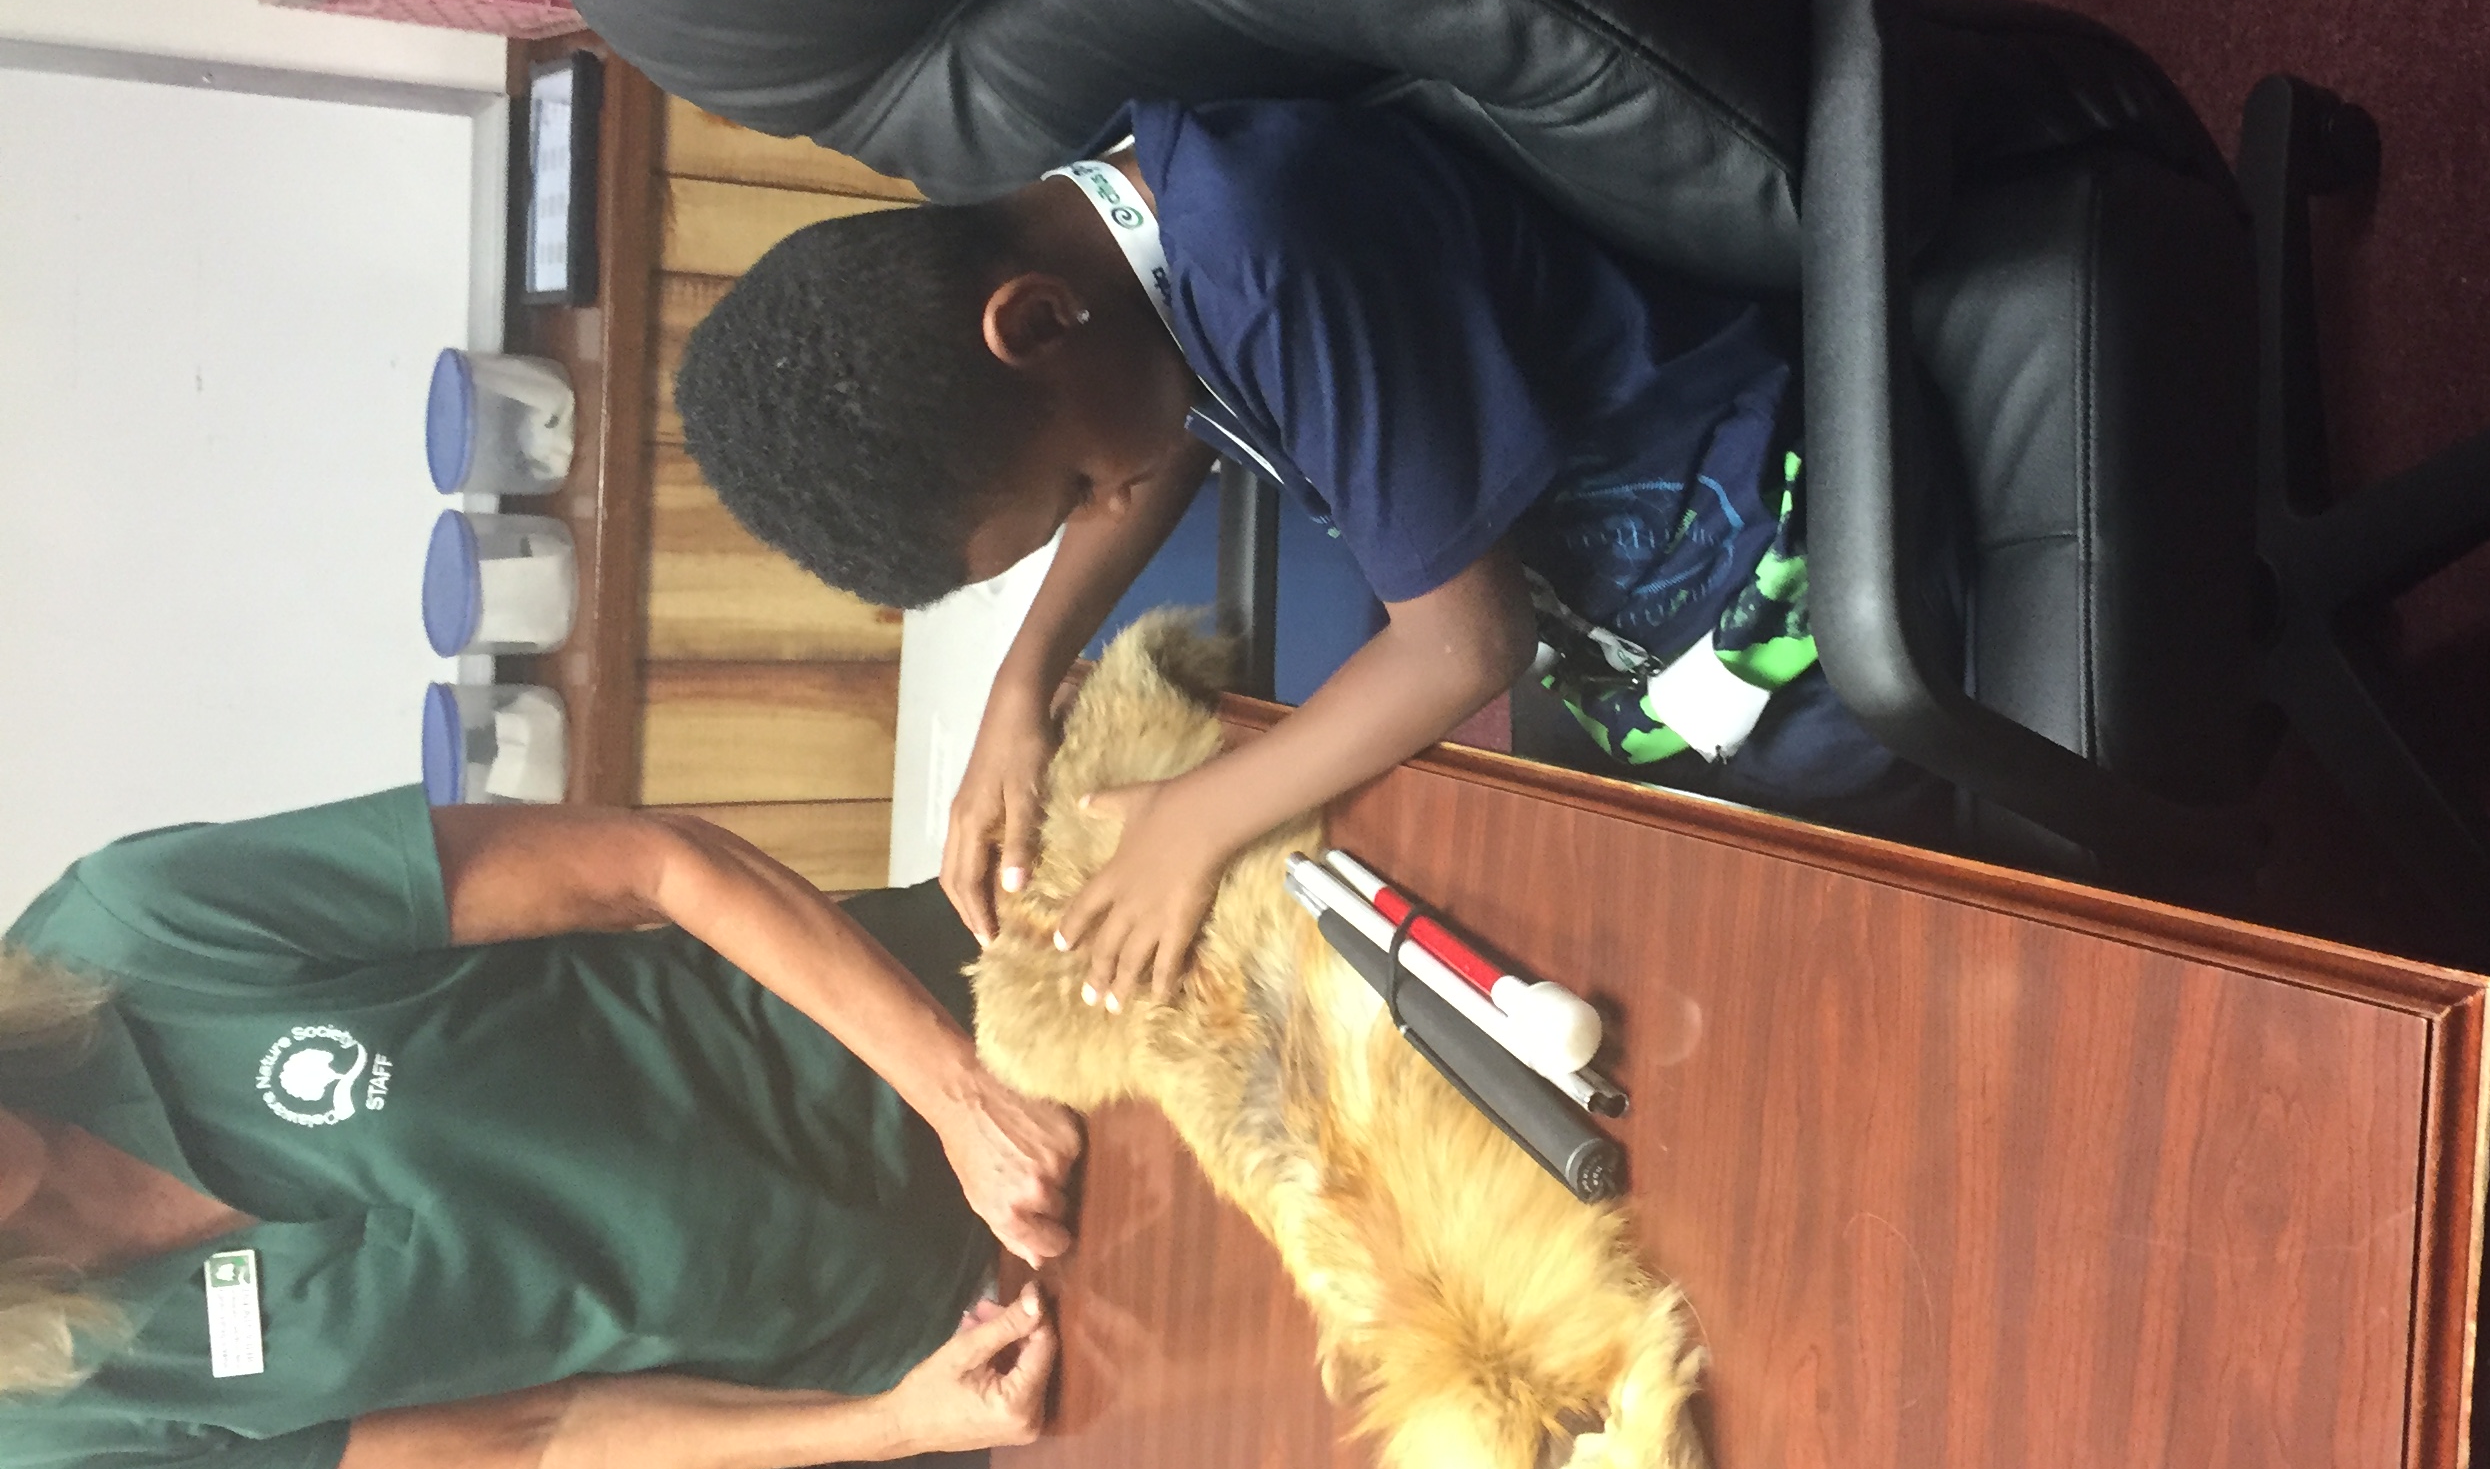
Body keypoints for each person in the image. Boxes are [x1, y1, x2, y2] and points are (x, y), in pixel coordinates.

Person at [674, 99, 1948, 1019]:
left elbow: (1466, 646)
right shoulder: (1113, 245)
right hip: (1632, 643)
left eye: (1071, 490)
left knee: (1829, 970)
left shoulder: (1271, 258)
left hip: (1791, 570)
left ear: (1040, 320)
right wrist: (1024, 682)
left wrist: (1197, 821)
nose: (1106, 505)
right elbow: (1157, 431)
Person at [0, 788, 1078, 1469]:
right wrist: (889, 1427)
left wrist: (961, 1096)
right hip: (952, 1329)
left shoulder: (126, 933)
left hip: (1002, 1030)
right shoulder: (57, 1428)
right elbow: (535, 1435)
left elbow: (654, 863)